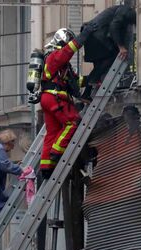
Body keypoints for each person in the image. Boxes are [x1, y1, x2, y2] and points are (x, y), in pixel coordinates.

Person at [39, 24, 97, 180]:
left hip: (49, 98)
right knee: (73, 123)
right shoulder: (53, 56)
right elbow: (66, 52)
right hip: (55, 97)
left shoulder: (61, 66)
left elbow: (73, 82)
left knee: (53, 132)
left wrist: (91, 79)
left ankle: (46, 167)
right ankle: (57, 154)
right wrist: (82, 39)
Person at [80, 4, 136, 101]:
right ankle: (94, 80)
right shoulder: (125, 10)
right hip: (96, 36)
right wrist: (121, 47)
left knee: (98, 66)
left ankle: (86, 93)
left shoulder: (117, 10)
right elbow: (114, 27)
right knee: (113, 56)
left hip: (90, 35)